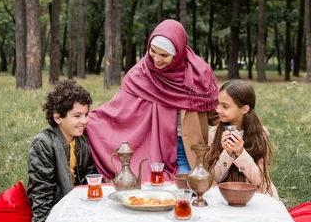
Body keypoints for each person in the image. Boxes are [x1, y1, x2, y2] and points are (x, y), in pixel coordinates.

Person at [85, 19, 219, 180]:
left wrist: (247, 126)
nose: (156, 59)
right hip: (151, 152)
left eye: (165, 55)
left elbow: (216, 115)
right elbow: (117, 111)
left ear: (179, 53)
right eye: (152, 51)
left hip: (188, 153)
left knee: (186, 195)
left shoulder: (199, 73)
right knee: (149, 193)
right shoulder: (139, 74)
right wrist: (87, 120)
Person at [27, 80, 96, 222]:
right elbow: (41, 190)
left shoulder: (82, 141)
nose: (84, 121)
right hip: (56, 207)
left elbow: (90, 178)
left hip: (77, 206)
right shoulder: (43, 143)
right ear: (58, 117)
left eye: (86, 114)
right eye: (77, 116)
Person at [208, 79, 278, 198]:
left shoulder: (260, 133)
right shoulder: (214, 133)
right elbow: (214, 177)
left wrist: (240, 153)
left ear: (244, 109)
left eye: (225, 106)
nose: (218, 110)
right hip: (224, 195)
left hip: (255, 195)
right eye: (218, 104)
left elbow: (259, 180)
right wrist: (228, 154)